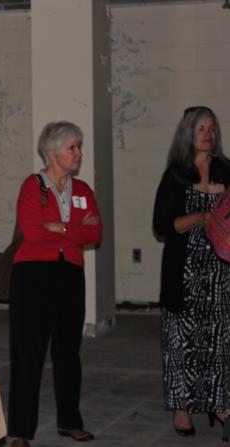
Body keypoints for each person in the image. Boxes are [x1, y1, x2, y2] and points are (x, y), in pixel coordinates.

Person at [8, 121, 102, 447]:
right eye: (72, 148)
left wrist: (60, 227)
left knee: (68, 353)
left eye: (79, 147)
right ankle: (20, 430)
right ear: (51, 153)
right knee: (27, 354)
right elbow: (33, 231)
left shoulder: (84, 190)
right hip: (32, 275)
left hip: (70, 274)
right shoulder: (33, 186)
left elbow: (95, 233)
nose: (78, 153)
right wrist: (74, 227)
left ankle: (70, 422)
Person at [153, 105, 230, 439]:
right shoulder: (176, 174)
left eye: (212, 128)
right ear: (188, 134)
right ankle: (182, 409)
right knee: (182, 341)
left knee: (219, 340)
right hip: (185, 272)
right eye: (201, 128)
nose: (208, 134)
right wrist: (199, 219)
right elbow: (161, 226)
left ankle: (219, 402)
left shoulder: (226, 170)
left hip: (221, 272)